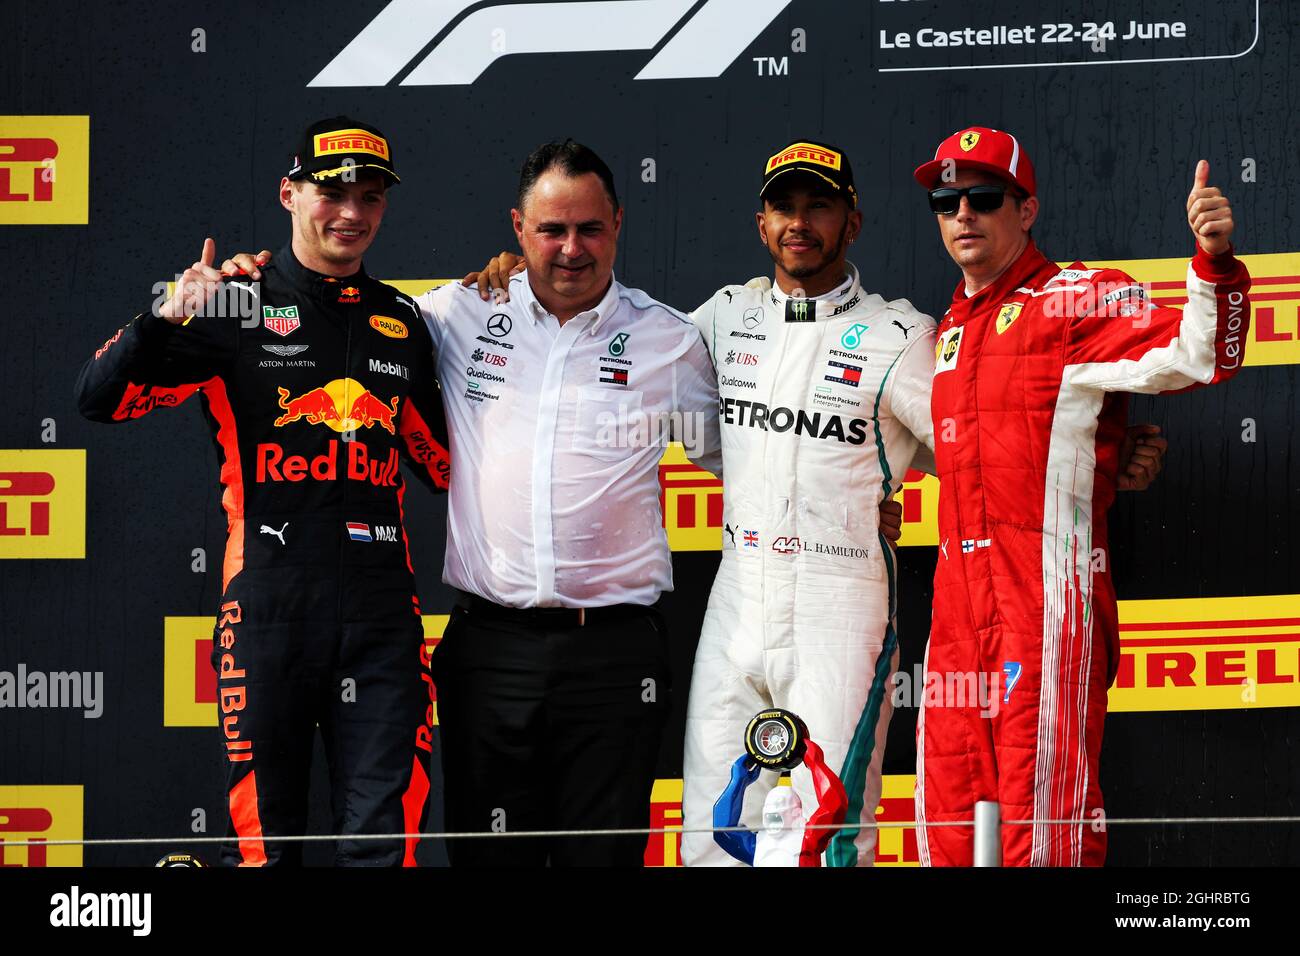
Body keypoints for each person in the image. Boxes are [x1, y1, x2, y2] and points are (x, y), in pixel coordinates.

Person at [467, 139, 1165, 867]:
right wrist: (516, 278)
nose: (799, 223)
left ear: (853, 224)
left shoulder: (903, 333)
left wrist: (1099, 457)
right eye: (784, 208)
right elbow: (613, 333)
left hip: (843, 591)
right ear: (761, 224)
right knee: (713, 829)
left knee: (820, 830)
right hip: (738, 591)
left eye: (819, 208)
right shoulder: (719, 318)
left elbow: (984, 448)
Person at [74, 116, 451, 866]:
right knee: (267, 848)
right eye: (331, 192)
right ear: (289, 193)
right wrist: (163, 315)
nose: (351, 212)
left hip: (383, 617)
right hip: (268, 607)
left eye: (370, 196)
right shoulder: (233, 302)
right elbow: (99, 400)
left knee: (384, 848)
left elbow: (443, 466)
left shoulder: (404, 322)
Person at [911, 126, 1251, 866]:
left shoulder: (1079, 296)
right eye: (946, 201)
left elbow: (1200, 352)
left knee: (1045, 832)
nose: (963, 214)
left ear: (1025, 210)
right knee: (947, 824)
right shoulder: (947, 333)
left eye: (983, 197)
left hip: (1045, 604)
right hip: (956, 614)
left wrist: (1214, 262)